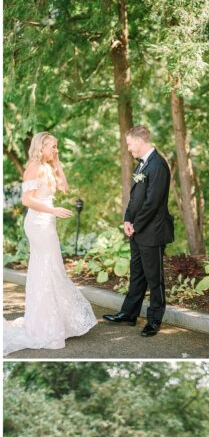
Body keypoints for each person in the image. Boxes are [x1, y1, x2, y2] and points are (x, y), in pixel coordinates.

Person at [4, 133, 96, 355]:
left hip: (48, 223)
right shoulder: (33, 166)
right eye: (52, 147)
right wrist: (53, 210)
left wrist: (58, 164)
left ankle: (54, 321)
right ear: (41, 146)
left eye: (57, 146)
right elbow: (27, 200)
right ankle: (46, 326)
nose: (56, 150)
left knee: (53, 268)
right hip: (38, 224)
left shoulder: (48, 165)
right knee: (46, 269)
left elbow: (64, 187)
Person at [102, 125, 175, 337]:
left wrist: (136, 225)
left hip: (151, 232)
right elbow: (135, 199)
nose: (129, 148)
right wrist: (127, 219)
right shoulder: (142, 165)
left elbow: (153, 203)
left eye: (130, 144)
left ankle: (154, 320)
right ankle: (128, 314)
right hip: (137, 231)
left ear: (140, 142)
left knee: (154, 279)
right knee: (137, 276)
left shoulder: (158, 166)